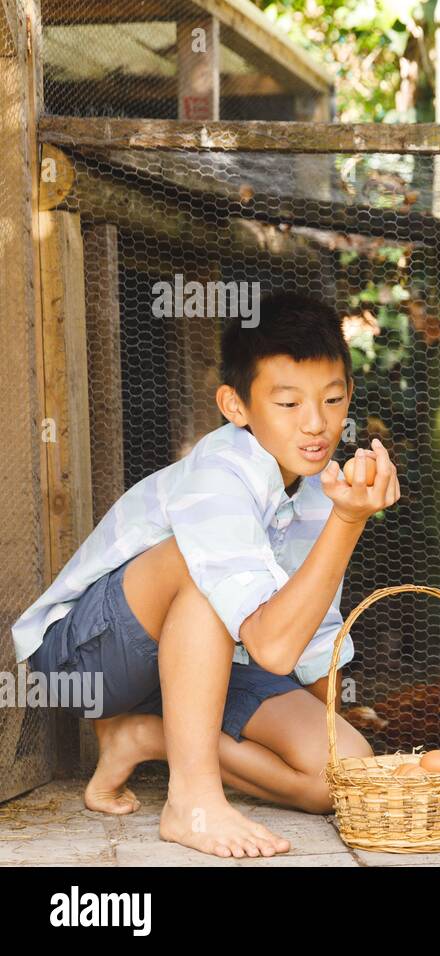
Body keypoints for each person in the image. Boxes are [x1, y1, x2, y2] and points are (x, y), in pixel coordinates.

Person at [12, 292, 397, 859]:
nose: (317, 424)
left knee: (344, 775)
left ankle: (144, 737)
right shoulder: (220, 474)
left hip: (202, 660)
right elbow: (270, 644)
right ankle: (192, 803)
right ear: (235, 406)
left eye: (333, 400)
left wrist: (338, 730)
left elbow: (311, 635)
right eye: (288, 403)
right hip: (82, 659)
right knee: (199, 573)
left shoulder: (320, 490)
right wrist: (350, 520)